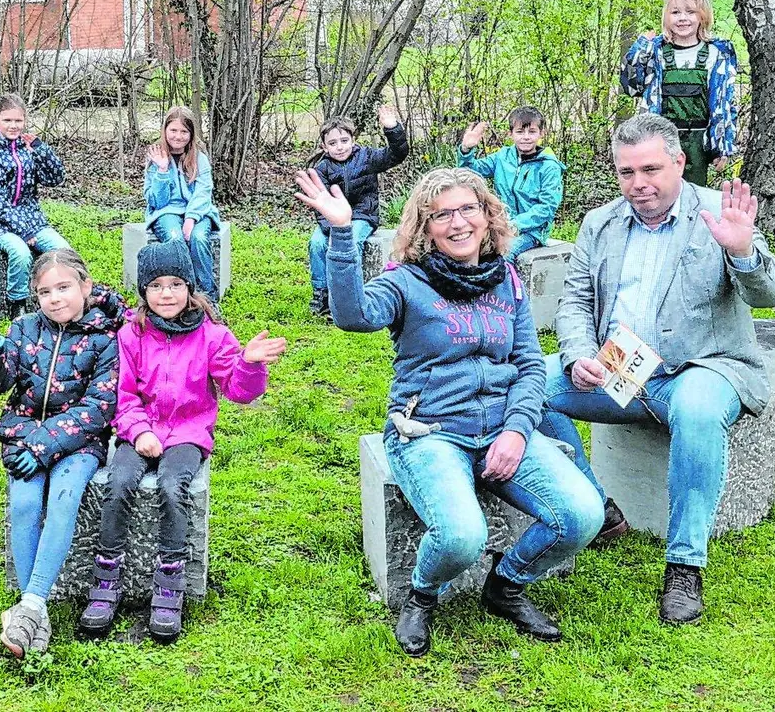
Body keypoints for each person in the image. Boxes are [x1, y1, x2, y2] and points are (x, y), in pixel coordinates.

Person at [293, 166, 603, 657]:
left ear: (487, 215)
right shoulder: (406, 283)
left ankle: (506, 585)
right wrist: (339, 233)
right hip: (429, 431)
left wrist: (518, 432)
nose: (457, 223)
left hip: (503, 428)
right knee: (461, 536)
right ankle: (421, 596)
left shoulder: (508, 279)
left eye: (468, 209)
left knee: (582, 515)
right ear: (424, 227)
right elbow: (353, 316)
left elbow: (527, 364)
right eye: (441, 215)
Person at [536, 113, 775, 625]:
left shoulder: (719, 213)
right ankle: (600, 509)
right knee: (528, 384)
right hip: (623, 366)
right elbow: (576, 301)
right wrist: (579, 353)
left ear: (679, 162)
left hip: (704, 365)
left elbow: (772, 294)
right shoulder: (600, 223)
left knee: (696, 410)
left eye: (651, 169)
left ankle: (684, 564)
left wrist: (742, 252)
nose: (639, 184)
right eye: (627, 172)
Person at [77, 240, 286, 644]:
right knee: (118, 484)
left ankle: (169, 581)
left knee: (174, 488)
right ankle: (106, 576)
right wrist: (138, 431)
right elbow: (123, 395)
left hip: (188, 434)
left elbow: (238, 390)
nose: (166, 294)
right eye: (156, 286)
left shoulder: (214, 336)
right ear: (143, 292)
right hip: (138, 431)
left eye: (175, 284)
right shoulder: (130, 335)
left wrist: (250, 363)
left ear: (191, 288)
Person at [0, 249, 126, 659]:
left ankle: (29, 605)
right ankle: (35, 608)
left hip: (78, 443)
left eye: (64, 287)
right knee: (27, 503)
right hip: (24, 433)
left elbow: (100, 406)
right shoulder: (25, 328)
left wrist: (42, 446)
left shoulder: (106, 337)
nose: (54, 298)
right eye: (44, 291)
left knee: (64, 501)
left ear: (85, 286)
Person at [619, 0, 739, 187]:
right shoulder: (655, 52)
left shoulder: (716, 54)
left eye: (690, 12)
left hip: (698, 142)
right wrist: (640, 48)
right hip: (659, 140)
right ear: (666, 16)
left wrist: (723, 147)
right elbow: (631, 86)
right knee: (658, 189)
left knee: (694, 195)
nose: (683, 18)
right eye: (675, 12)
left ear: (702, 15)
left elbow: (725, 104)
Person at [0, 94, 72, 319]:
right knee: (20, 252)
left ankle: (61, 294)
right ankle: (17, 302)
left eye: (18, 120)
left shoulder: (27, 149)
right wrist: (21, 230)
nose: (13, 126)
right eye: (8, 120)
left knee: (63, 250)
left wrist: (40, 149)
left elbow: (55, 178)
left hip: (31, 218)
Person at [306, 104, 409, 317]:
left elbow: (397, 154)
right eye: (333, 143)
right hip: (332, 220)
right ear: (324, 147)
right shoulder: (322, 169)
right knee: (316, 243)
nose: (340, 147)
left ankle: (353, 288)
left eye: (344, 141)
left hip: (362, 215)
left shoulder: (367, 157)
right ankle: (322, 292)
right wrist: (332, 229)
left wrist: (392, 129)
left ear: (353, 140)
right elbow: (320, 203)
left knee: (352, 241)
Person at [456, 105, 565, 263]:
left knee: (504, 254)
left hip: (531, 231)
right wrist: (467, 149)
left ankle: (509, 287)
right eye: (520, 132)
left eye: (532, 132)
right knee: (468, 247)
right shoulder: (503, 157)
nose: (526, 137)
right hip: (500, 225)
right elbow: (468, 173)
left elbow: (547, 207)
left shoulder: (549, 166)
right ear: (511, 134)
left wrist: (515, 225)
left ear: (542, 133)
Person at [143, 106, 223, 305]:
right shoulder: (155, 157)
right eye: (173, 130)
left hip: (198, 212)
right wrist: (162, 170)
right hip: (166, 212)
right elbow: (156, 201)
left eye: (184, 132)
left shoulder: (200, 159)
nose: (178, 136)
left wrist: (191, 218)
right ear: (165, 130)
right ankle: (184, 294)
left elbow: (203, 192)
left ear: (191, 134)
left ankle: (208, 297)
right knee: (175, 239)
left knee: (199, 237)